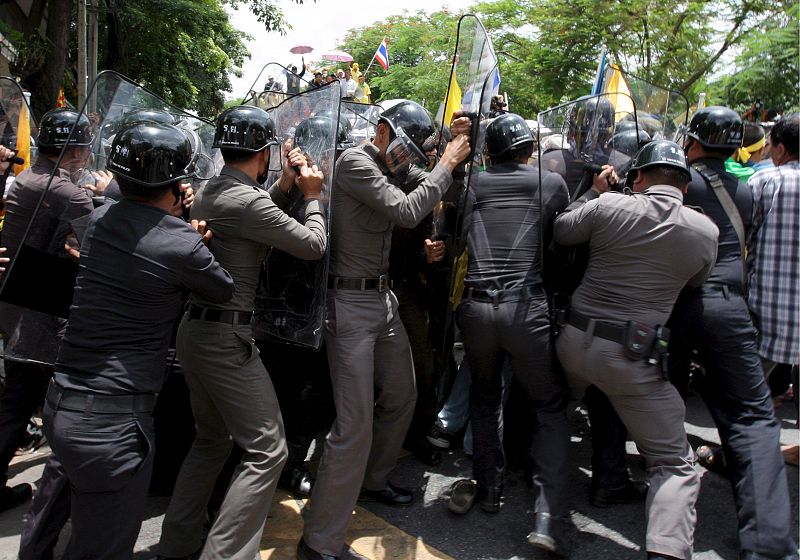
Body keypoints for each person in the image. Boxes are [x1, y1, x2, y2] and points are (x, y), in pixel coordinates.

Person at [27, 121, 234, 560]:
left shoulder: (97, 220)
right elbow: (222, 289)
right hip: (115, 426)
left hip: (62, 404)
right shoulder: (182, 243)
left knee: (73, 521)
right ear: (179, 184)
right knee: (102, 546)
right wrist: (190, 237)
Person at [296, 101, 470, 560]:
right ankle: (318, 539)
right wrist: (448, 162)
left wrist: (448, 158)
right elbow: (409, 211)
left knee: (403, 394)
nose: (407, 158)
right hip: (349, 305)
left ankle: (372, 480)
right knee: (354, 425)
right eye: (406, 148)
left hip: (382, 300)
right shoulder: (356, 162)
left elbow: (422, 194)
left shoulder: (388, 168)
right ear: (383, 130)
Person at [157, 105, 327, 560]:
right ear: (265, 151)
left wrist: (283, 187)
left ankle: (176, 545)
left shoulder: (214, 190)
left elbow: (251, 208)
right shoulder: (249, 201)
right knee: (269, 452)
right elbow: (313, 246)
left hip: (196, 333)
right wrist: (311, 195)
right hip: (226, 342)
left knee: (211, 441)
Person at [554, 140, 719, 560]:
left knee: (553, 415)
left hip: (573, 342)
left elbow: (563, 230)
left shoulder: (608, 206)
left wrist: (595, 192)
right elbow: (696, 282)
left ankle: (544, 508)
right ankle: (665, 550)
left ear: (639, 178)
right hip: (632, 359)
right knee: (673, 462)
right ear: (685, 186)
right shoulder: (705, 231)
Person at [668, 106, 798, 560]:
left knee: (663, 395)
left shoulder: (677, 179)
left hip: (674, 305)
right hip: (727, 306)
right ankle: (767, 545)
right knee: (753, 419)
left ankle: (648, 485)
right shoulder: (747, 189)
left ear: (695, 142)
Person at [444, 113, 571, 555]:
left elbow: (449, 239)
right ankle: (547, 517)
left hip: (475, 311)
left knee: (483, 396)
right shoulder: (550, 183)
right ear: (527, 149)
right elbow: (562, 247)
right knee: (550, 407)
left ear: (489, 151)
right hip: (526, 309)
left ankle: (490, 487)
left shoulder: (470, 185)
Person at [0, 109, 96, 514]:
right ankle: (62, 493)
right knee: (41, 398)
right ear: (75, 151)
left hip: (16, 303)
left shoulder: (27, 179)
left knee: (20, 394)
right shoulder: (68, 193)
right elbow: (97, 241)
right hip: (40, 314)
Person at [748, 113, 800, 470]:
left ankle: (750, 455)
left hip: (769, 308)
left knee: (747, 391)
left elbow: (743, 238)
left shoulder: (764, 179)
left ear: (780, 149)